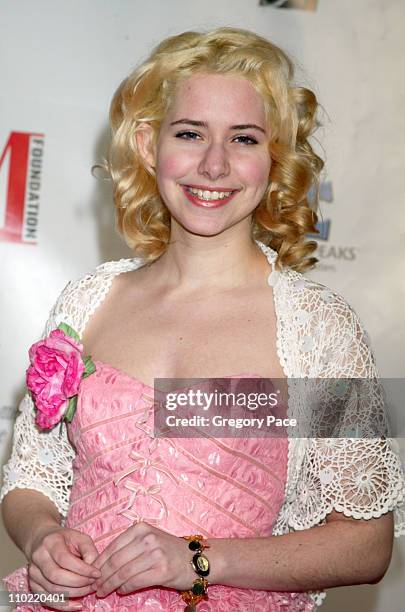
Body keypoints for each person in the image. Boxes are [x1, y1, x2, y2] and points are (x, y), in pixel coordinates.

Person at [1, 27, 404, 612]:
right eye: (190, 133)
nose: (213, 165)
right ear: (147, 145)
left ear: (275, 159)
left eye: (243, 139)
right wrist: (41, 537)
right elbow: (30, 480)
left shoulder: (320, 329)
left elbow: (366, 545)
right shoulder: (87, 301)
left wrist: (196, 557)